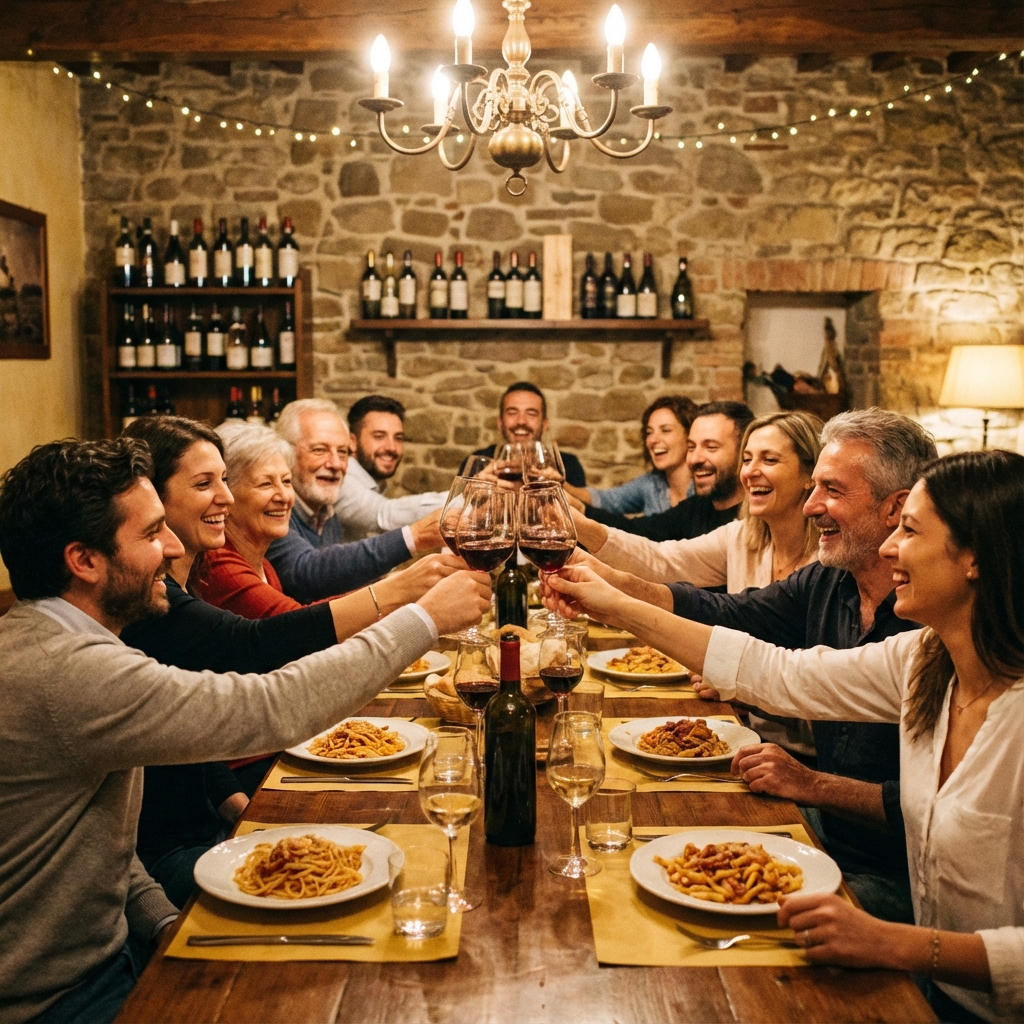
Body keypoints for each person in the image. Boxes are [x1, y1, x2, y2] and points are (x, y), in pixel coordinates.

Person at [0, 437, 490, 1024]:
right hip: (60, 999)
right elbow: (271, 706)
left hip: (114, 953)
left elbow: (92, 835)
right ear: (84, 560)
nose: (174, 547)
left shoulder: (59, 642)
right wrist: (424, 618)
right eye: (153, 533)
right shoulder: (72, 671)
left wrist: (157, 916)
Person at [543, 449, 1023, 1024]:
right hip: (923, 983)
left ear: (975, 558)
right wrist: (617, 606)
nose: (891, 547)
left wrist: (895, 943)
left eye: (911, 531)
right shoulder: (925, 658)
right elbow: (776, 675)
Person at [550, 408, 939, 925]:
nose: (811, 505)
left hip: (895, 876)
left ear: (894, 508)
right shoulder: (829, 581)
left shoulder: (932, 628)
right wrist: (613, 587)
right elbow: (731, 614)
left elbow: (932, 808)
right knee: (646, 862)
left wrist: (812, 784)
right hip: (816, 827)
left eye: (832, 490)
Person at [117, 416, 464, 901]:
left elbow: (189, 728)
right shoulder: (160, 600)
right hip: (171, 854)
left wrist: (238, 807)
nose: (226, 497)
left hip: (205, 823)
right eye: (205, 483)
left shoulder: (185, 578)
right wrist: (413, 602)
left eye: (224, 479)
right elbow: (263, 648)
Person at [575, 409, 824, 754]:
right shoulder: (741, 537)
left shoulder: (829, 565)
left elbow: (824, 693)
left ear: (810, 475)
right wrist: (580, 529)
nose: (750, 471)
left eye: (769, 459)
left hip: (802, 757)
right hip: (740, 736)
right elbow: (661, 560)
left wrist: (739, 687)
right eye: (747, 459)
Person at [196, 422, 461, 622]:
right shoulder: (219, 564)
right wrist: (401, 589)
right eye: (266, 483)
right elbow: (296, 625)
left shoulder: (262, 562)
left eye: (286, 482)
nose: (284, 496)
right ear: (226, 495)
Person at [267, 399, 443, 603]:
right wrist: (414, 536)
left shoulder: (326, 513)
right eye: (319, 450)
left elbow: (334, 586)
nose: (335, 464)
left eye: (342, 452)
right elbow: (305, 574)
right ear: (285, 453)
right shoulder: (275, 508)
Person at [575, 400, 753, 544]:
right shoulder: (695, 507)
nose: (695, 458)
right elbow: (637, 531)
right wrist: (580, 510)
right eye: (691, 447)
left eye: (711, 447)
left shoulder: (761, 519)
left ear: (744, 453)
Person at [334, 395, 447, 541]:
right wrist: (466, 498)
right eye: (379, 436)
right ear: (352, 442)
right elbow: (385, 514)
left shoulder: (374, 484)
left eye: (398, 438)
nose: (391, 448)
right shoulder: (343, 479)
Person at [566, 395, 697, 515]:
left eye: (666, 430)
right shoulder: (650, 484)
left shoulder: (705, 486)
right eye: (649, 432)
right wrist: (562, 486)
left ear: (690, 435)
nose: (652, 440)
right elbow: (607, 500)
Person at [460, 381, 587, 487]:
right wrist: (474, 494)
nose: (521, 421)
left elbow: (580, 512)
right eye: (512, 412)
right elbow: (455, 511)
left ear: (544, 424)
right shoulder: (477, 463)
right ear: (500, 422)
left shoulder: (568, 465)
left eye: (531, 414)